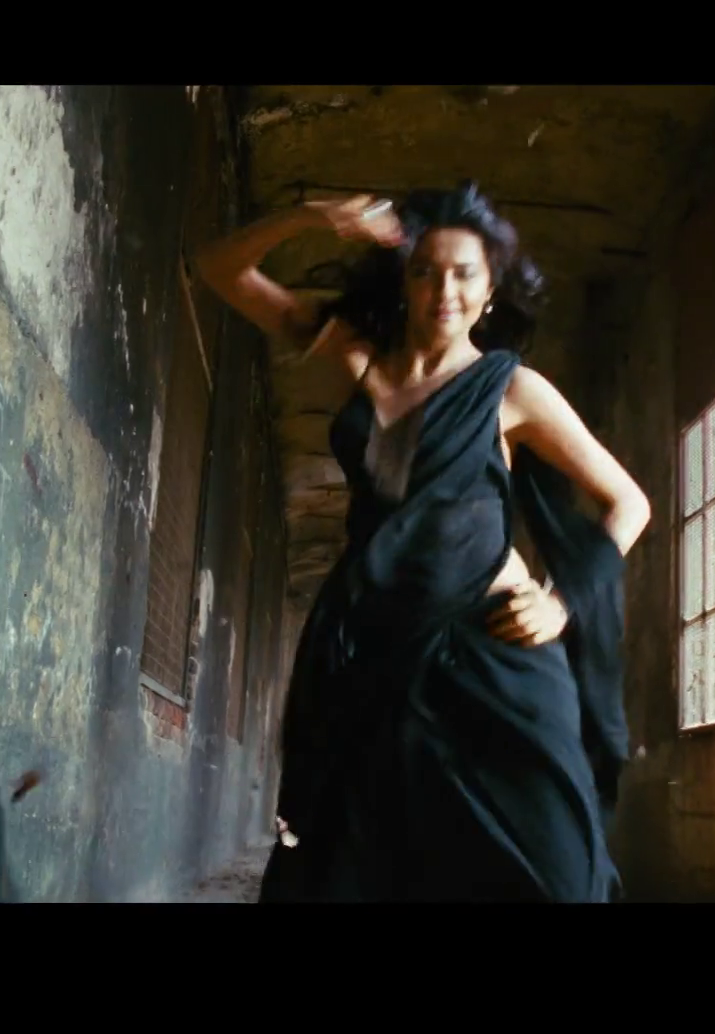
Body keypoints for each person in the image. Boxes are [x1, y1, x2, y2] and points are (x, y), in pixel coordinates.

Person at [195, 181, 651, 902]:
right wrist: (313, 215)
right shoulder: (354, 355)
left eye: (465, 274)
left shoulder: (512, 389)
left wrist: (561, 601)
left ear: (490, 290)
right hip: (374, 649)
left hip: (495, 649)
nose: (446, 291)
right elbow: (218, 269)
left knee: (558, 875)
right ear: (403, 281)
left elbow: (628, 503)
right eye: (426, 272)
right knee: (365, 866)